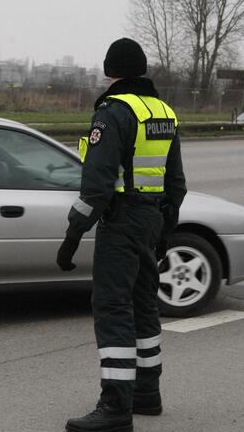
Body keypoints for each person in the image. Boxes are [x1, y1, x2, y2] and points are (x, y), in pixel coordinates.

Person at [57, 38, 186, 432]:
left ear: (111, 70)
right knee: (144, 304)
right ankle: (147, 393)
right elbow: (176, 183)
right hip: (151, 220)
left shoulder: (112, 112)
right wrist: (165, 229)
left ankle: (115, 405)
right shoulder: (164, 112)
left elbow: (96, 185)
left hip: (122, 220)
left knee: (113, 307)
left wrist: (72, 236)